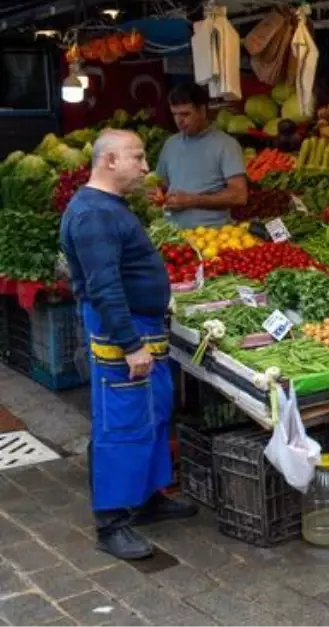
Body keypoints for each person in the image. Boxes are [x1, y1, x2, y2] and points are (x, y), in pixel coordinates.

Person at [60, 130, 197, 561]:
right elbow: (103, 286)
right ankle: (112, 522)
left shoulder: (109, 207)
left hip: (143, 328)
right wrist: (130, 344)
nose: (145, 166)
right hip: (122, 334)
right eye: (137, 157)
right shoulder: (94, 215)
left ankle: (147, 497)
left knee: (153, 413)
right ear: (110, 160)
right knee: (121, 424)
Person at [155, 83, 248, 230]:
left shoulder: (226, 145)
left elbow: (239, 196)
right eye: (175, 114)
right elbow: (162, 185)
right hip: (173, 235)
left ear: (202, 110)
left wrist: (192, 200)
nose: (179, 121)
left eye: (185, 114)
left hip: (212, 236)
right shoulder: (170, 144)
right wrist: (157, 194)